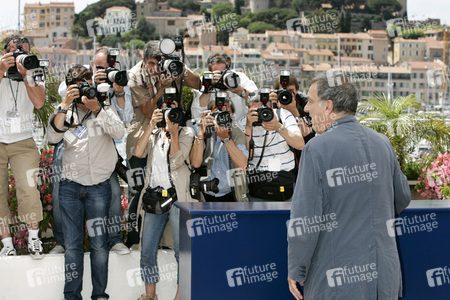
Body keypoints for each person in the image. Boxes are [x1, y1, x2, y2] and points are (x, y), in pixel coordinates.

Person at [287, 73, 411, 300]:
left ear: (328, 107)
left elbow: (305, 220)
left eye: (311, 102)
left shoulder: (316, 149)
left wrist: (297, 269)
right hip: (384, 279)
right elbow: (401, 197)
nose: (306, 109)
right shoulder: (382, 143)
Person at [47, 65, 124, 300]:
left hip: (99, 186)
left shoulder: (103, 103)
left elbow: (119, 132)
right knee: (72, 247)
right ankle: (72, 296)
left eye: (85, 86)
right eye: (76, 88)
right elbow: (52, 137)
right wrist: (64, 104)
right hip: (70, 186)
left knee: (99, 245)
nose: (82, 93)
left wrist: (98, 109)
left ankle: (99, 294)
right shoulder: (64, 109)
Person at [51, 47, 133, 255]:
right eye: (99, 67)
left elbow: (124, 117)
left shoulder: (116, 81)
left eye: (107, 67)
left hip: (101, 142)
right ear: (92, 64)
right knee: (59, 191)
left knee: (114, 191)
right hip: (70, 141)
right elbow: (64, 93)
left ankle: (114, 239)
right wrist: (91, 84)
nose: (103, 71)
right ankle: (62, 241)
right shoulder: (81, 76)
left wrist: (117, 91)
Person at [126, 41, 200, 246]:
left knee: (172, 182)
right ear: (144, 60)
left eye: (159, 63)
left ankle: (166, 239)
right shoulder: (135, 76)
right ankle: (134, 238)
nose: (156, 68)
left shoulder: (171, 65)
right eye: (151, 63)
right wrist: (162, 88)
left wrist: (182, 70)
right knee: (138, 188)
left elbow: (198, 84)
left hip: (172, 131)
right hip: (143, 132)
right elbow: (149, 112)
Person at [134, 98, 194, 300]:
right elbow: (138, 152)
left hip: (177, 199)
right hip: (154, 197)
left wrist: (174, 133)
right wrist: (151, 124)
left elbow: (177, 162)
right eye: (167, 110)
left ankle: (180, 296)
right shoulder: (153, 133)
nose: (171, 115)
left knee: (181, 252)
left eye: (175, 110)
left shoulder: (186, 133)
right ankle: (149, 296)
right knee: (147, 250)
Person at [0, 34, 45, 258]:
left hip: (23, 140)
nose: (20, 55)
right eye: (15, 51)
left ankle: (34, 240)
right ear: (5, 52)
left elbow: (38, 102)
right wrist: (1, 70)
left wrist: (27, 74)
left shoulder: (34, 70)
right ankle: (7, 243)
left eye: (24, 51)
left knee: (28, 189)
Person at [243, 90, 305, 202]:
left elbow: (300, 144)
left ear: (270, 105)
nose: (261, 114)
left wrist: (278, 127)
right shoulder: (245, 121)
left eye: (263, 110)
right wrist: (248, 127)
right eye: (255, 111)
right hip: (258, 183)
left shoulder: (283, 115)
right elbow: (244, 157)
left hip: (285, 181)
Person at [190, 98, 248, 202]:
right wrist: (200, 133)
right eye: (218, 112)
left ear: (232, 116)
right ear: (209, 114)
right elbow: (195, 163)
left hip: (230, 194)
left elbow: (242, 164)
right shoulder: (200, 129)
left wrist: (226, 139)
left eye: (226, 113)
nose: (222, 116)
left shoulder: (236, 132)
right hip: (203, 194)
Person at [191, 52, 258, 122]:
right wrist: (209, 88)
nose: (222, 77)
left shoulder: (240, 78)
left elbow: (257, 99)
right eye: (218, 74)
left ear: (231, 70)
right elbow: (196, 115)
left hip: (239, 124)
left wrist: (239, 90)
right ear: (211, 73)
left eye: (225, 73)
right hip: (214, 125)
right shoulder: (205, 81)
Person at [271, 74, 315, 166]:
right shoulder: (271, 104)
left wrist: (294, 111)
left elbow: (308, 136)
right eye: (282, 92)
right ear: (276, 92)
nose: (286, 95)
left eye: (291, 91)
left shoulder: (305, 104)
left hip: (302, 159)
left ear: (297, 91)